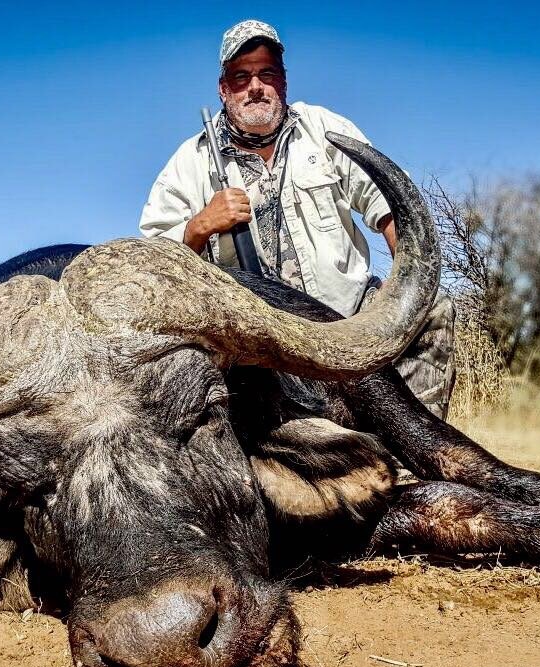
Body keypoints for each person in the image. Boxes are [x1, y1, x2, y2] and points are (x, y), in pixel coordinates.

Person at [140, 20, 455, 419]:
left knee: (430, 309)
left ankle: (417, 450)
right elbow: (152, 264)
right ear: (224, 89)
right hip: (255, 345)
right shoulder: (189, 162)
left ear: (283, 81)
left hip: (346, 319)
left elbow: (389, 207)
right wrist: (200, 225)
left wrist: (399, 290)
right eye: (241, 76)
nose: (255, 86)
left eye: (266, 73)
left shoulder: (325, 129)